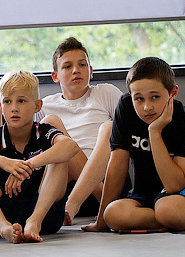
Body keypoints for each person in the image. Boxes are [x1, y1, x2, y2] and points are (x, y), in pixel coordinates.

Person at [84, 57, 185, 233]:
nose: (147, 107)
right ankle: (176, 219)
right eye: (139, 99)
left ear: (173, 93)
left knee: (168, 208)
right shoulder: (125, 108)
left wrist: (154, 132)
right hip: (149, 193)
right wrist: (101, 221)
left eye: (155, 97)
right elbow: (117, 165)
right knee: (113, 214)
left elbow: (174, 186)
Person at [0, 70, 78, 243]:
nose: (14, 108)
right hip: (5, 214)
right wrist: (3, 162)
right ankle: (3, 226)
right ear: (1, 106)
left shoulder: (44, 132)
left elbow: (70, 146)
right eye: (7, 101)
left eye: (21, 101)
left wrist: (27, 166)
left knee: (59, 157)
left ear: (37, 106)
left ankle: (34, 221)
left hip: (46, 217)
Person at [36, 37, 122, 225]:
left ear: (90, 71)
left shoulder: (105, 93)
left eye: (82, 65)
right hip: (64, 184)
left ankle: (74, 204)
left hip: (107, 180)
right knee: (50, 122)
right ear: (55, 76)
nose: (76, 70)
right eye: (67, 66)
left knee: (109, 128)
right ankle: (97, 194)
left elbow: (131, 128)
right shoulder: (45, 106)